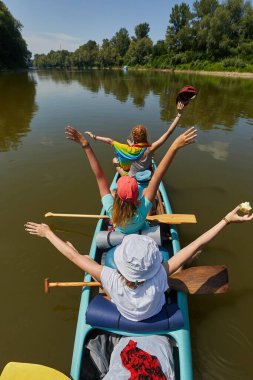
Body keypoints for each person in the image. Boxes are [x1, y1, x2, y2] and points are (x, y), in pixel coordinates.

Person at [25, 204, 253, 322]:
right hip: (156, 308)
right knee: (186, 259)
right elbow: (196, 244)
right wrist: (226, 220)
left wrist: (47, 233)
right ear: (154, 263)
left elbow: (72, 257)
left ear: (121, 264)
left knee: (83, 259)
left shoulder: (112, 278)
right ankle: (173, 285)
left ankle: (107, 292)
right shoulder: (161, 273)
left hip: (122, 308)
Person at [65, 126, 197, 234]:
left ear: (118, 197)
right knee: (146, 191)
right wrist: (174, 147)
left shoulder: (112, 210)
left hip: (119, 227)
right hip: (141, 226)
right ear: (136, 196)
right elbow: (157, 175)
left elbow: (99, 176)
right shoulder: (142, 210)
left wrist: (86, 145)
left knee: (111, 191)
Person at [85, 101, 187, 177]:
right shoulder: (151, 148)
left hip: (130, 177)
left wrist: (94, 136)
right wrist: (179, 114)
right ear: (145, 136)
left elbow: (109, 141)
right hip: (145, 177)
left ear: (134, 137)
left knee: (115, 160)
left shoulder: (129, 149)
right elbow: (168, 133)